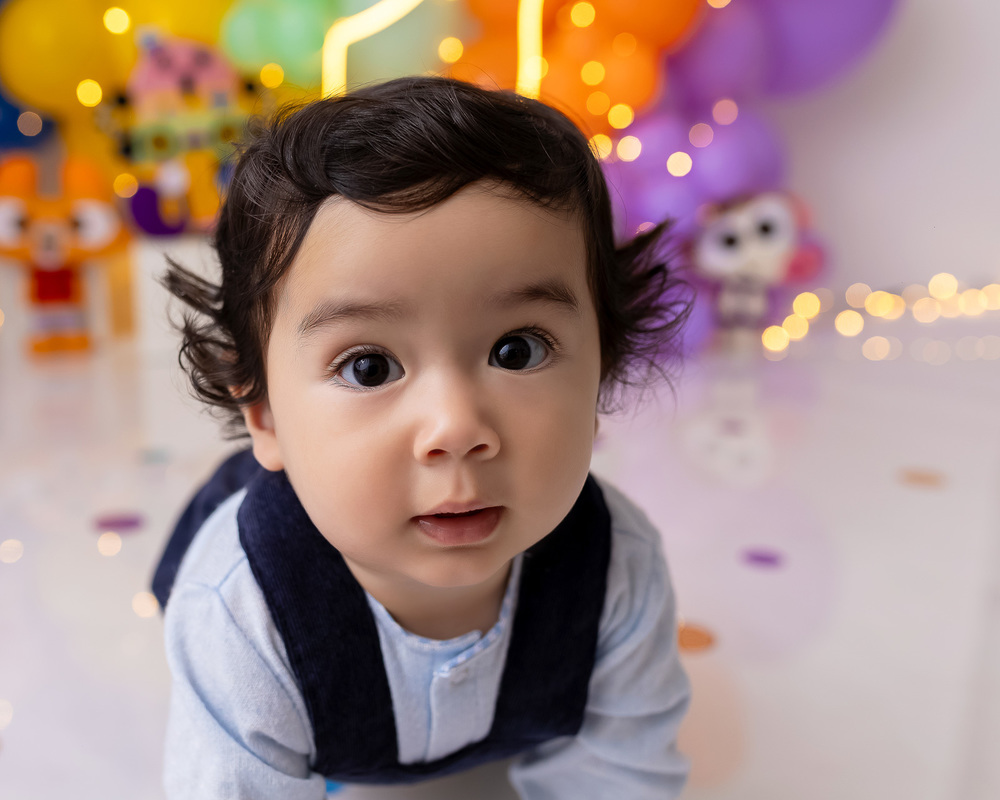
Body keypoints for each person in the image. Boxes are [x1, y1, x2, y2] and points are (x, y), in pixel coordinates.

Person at [153, 76, 692, 798]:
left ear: (600, 378)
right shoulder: (238, 613)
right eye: (369, 367)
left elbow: (621, 774)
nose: (456, 428)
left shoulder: (618, 568)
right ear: (265, 414)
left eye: (518, 351)